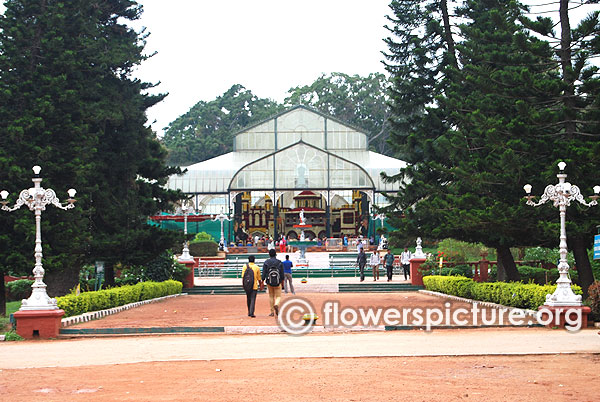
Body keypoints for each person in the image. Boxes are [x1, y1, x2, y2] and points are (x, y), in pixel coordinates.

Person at [262, 248, 284, 316]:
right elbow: (282, 273)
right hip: (278, 281)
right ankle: (276, 304)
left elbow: (264, 272)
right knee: (278, 296)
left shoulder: (266, 262)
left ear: (269, 254)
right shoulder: (279, 262)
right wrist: (282, 282)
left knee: (271, 296)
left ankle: (272, 312)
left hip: (269, 281)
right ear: (275, 254)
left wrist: (262, 281)